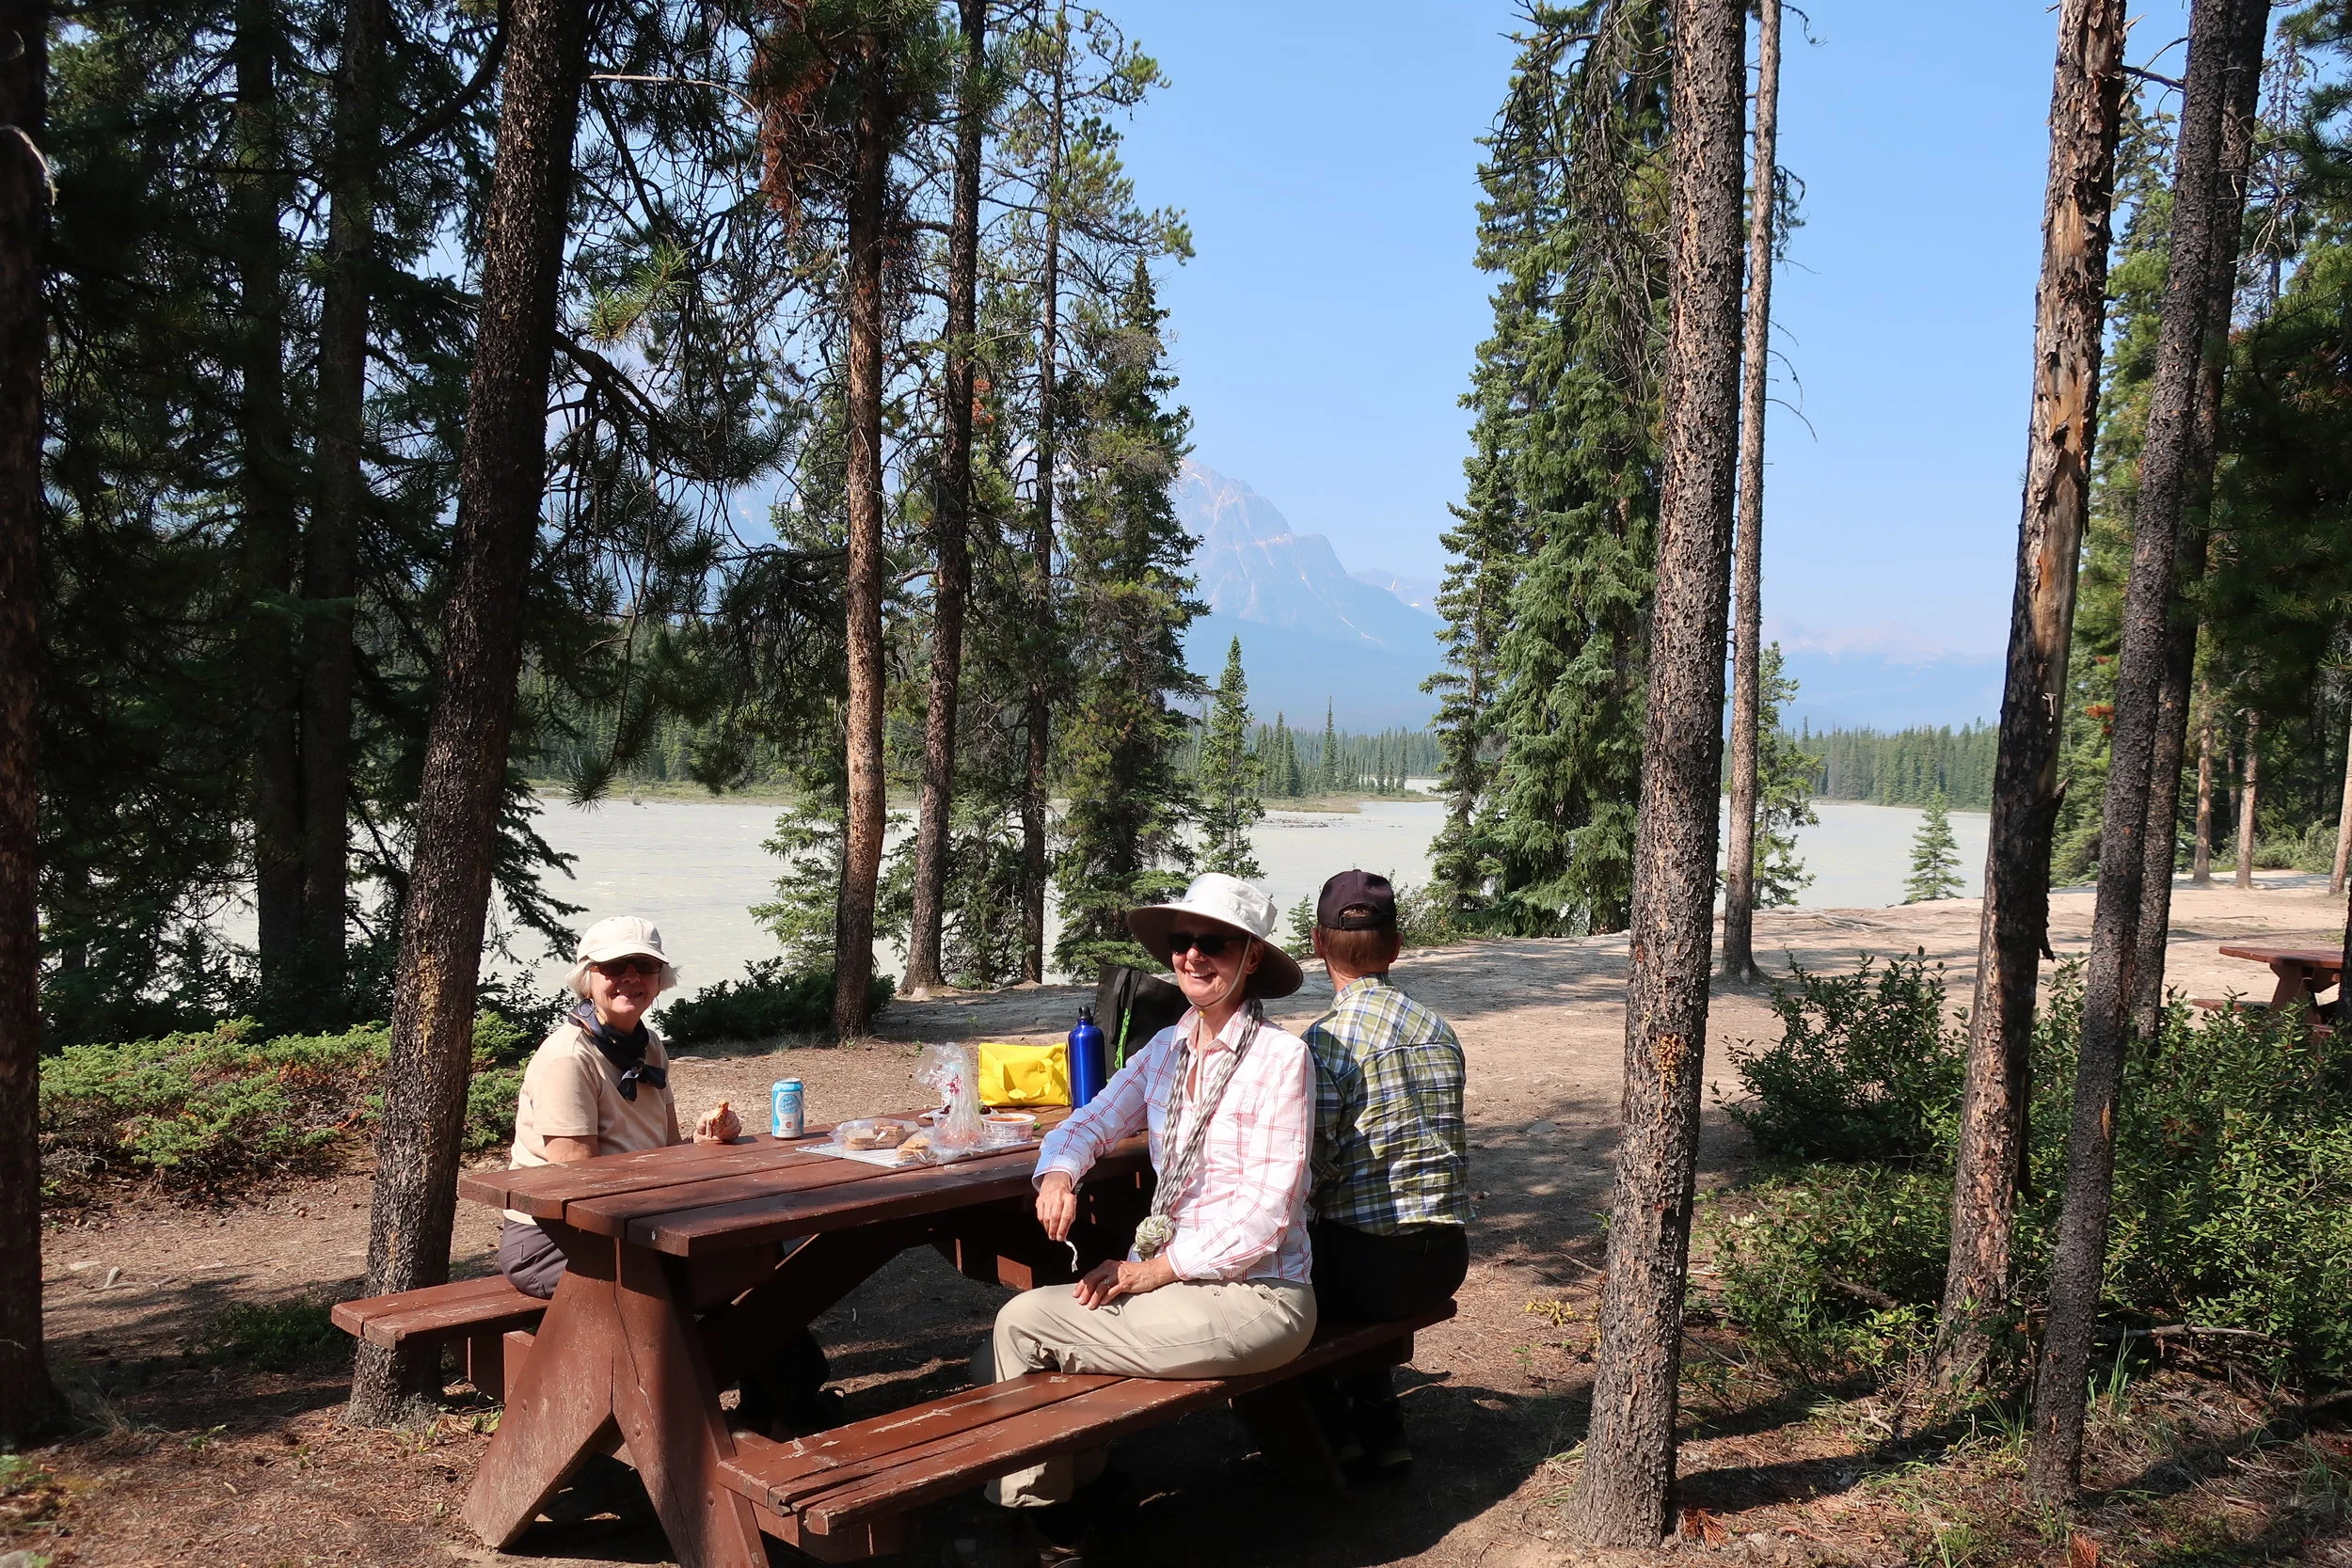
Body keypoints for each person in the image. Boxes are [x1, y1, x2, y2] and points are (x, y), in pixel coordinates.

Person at [979, 872, 1317, 1562]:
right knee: (1003, 1346)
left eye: (1213, 943)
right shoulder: (1166, 1048)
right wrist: (1059, 1173)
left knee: (1021, 1324)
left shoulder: (1283, 1060)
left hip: (1260, 1295)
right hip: (1185, 1284)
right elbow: (1089, 1120)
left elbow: (1267, 1217)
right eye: (1182, 941)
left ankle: (1047, 1527)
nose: (1192, 956)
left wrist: (1150, 1271)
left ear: (1251, 956)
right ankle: (1089, 1490)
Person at [497, 915, 830, 1432]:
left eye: (645, 966)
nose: (631, 977)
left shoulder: (647, 1045)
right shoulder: (568, 1058)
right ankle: (733, 1415)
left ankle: (779, 1406)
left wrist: (702, 1144)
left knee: (765, 1256)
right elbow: (575, 1183)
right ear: (588, 976)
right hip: (557, 1240)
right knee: (739, 1268)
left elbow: (663, 1149)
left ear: (660, 979)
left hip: (630, 1222)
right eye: (614, 966)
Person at [1300, 869, 1470, 1474]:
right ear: (1397, 946)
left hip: (1367, 1274)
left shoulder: (1325, 1042)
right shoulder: (1440, 1030)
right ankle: (1380, 1425)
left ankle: (1325, 1427)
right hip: (1446, 1262)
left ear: (1317, 945)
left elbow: (1310, 1167)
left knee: (1282, 1262)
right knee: (1338, 1241)